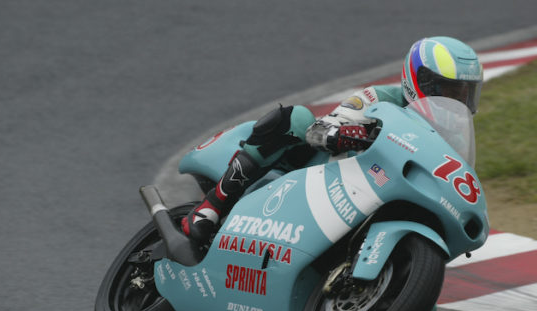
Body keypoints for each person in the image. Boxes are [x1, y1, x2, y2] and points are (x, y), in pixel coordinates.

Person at [181, 36, 483, 243]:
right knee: (297, 118)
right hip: (327, 177)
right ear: (421, 81)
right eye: (449, 91)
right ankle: (212, 206)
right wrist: (347, 133)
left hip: (375, 197)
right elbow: (318, 131)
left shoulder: (453, 137)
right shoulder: (379, 97)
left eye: (464, 93)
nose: (457, 101)